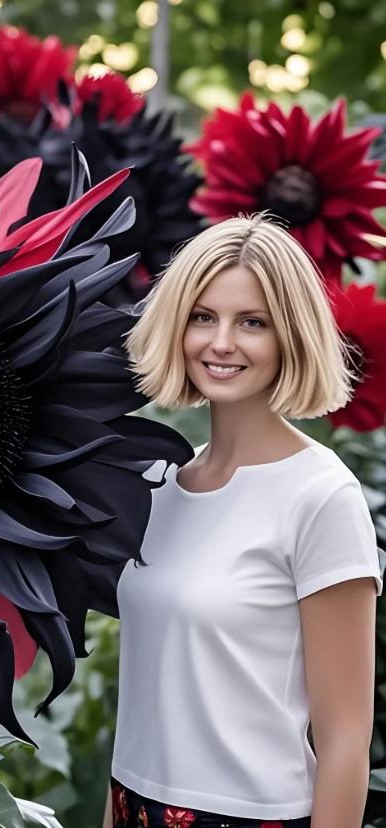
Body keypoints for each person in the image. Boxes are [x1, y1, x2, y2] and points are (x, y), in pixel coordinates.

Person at [103, 213, 385, 828]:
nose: (221, 343)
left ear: (291, 335)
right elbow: (143, 699)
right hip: (133, 805)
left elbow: (345, 739)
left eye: (252, 322)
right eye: (203, 317)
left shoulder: (322, 496)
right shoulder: (158, 485)